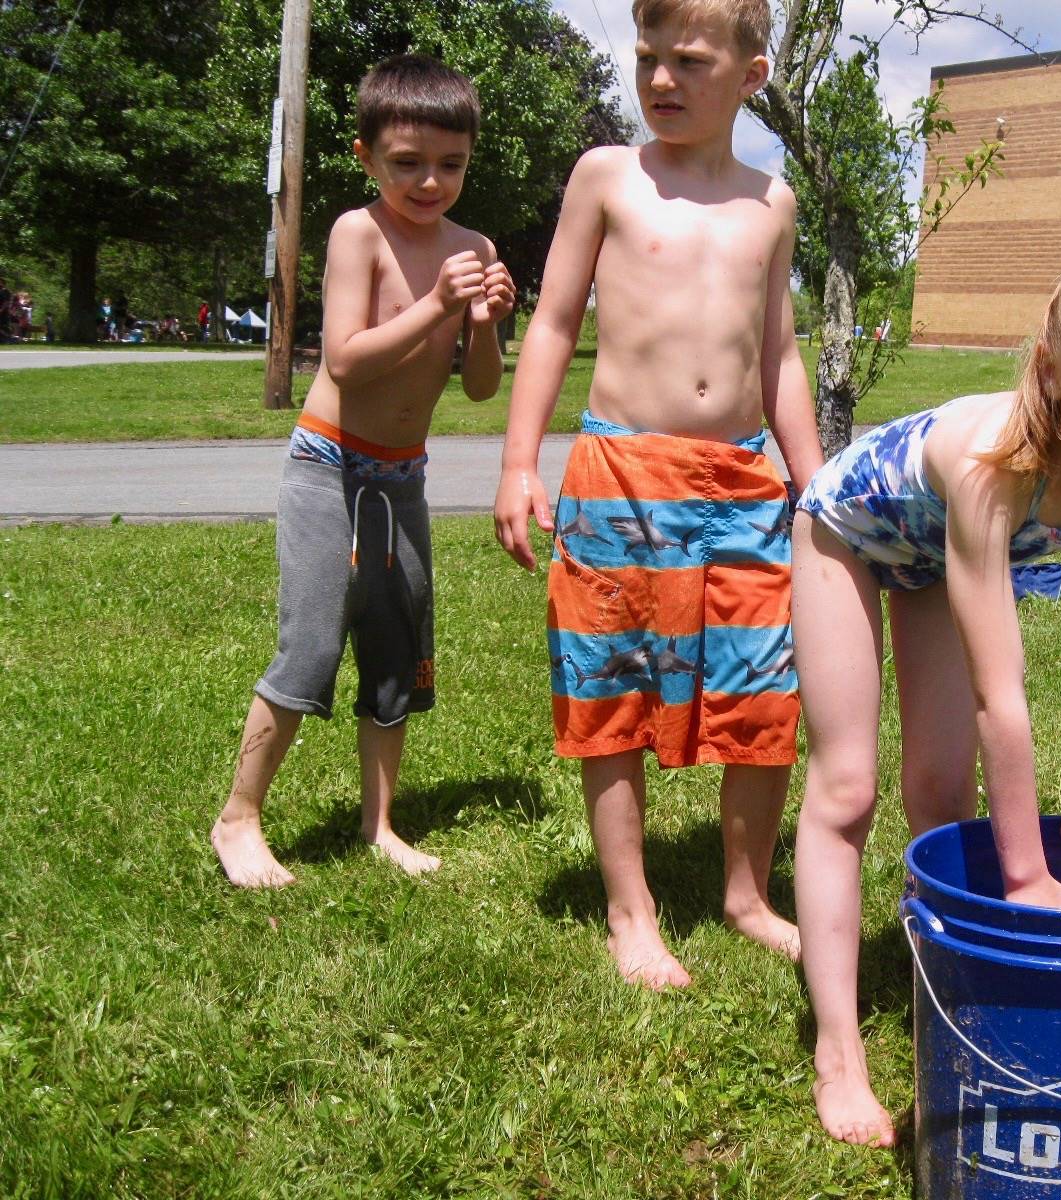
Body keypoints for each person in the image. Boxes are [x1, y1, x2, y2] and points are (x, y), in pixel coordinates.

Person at [790, 219, 1061, 1146]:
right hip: (851, 534)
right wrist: (1025, 876)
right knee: (847, 786)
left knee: (942, 799)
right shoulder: (999, 462)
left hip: (928, 557)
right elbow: (1004, 690)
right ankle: (837, 1051)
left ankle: (947, 985)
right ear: (1049, 365)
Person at [493, 0, 823, 990]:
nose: (661, 80)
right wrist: (519, 463)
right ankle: (630, 911)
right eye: (647, 59)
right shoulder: (608, 177)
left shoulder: (772, 202)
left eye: (687, 60)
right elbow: (552, 322)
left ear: (750, 75)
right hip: (620, 479)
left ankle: (747, 894)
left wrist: (818, 485)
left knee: (766, 688)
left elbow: (780, 354)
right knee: (615, 689)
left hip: (745, 483)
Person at [211, 54, 515, 889]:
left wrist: (485, 320)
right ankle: (238, 819)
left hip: (401, 480)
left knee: (393, 651)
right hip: (327, 467)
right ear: (365, 157)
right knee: (310, 646)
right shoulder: (359, 233)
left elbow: (481, 385)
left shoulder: (471, 246)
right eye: (406, 163)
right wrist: (439, 305)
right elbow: (346, 362)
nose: (429, 181)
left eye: (450, 164)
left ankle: (378, 824)